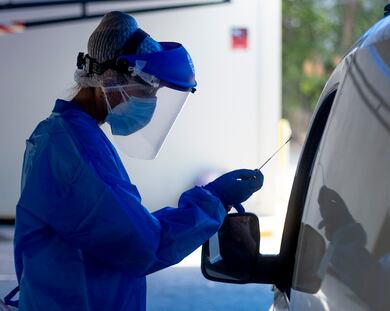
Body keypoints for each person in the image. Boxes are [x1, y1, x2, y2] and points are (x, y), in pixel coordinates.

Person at [7, 12, 264, 311]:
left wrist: (212, 201)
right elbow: (143, 245)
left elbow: (130, 226)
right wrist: (212, 201)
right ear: (109, 78)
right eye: (147, 89)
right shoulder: (71, 150)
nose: (150, 101)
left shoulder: (68, 135)